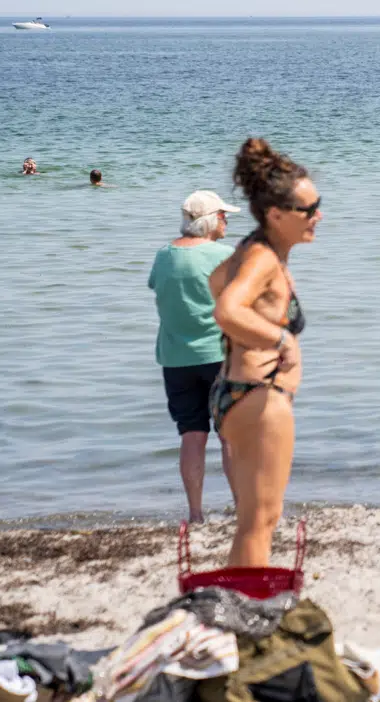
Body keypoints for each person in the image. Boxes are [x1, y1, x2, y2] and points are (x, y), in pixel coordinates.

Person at [208, 138, 321, 566]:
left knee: (253, 521)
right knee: (263, 521)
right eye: (307, 210)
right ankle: (251, 618)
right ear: (276, 214)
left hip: (240, 393)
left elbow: (216, 280)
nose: (317, 216)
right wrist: (279, 339)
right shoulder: (263, 259)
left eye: (317, 205)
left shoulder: (253, 249)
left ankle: (241, 608)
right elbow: (226, 307)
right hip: (262, 398)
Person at [149, 190, 241, 523]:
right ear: (209, 221)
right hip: (219, 356)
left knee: (191, 434)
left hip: (175, 359)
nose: (227, 220)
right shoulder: (224, 256)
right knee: (230, 433)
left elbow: (156, 289)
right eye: (223, 215)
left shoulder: (164, 255)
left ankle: (196, 513)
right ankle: (241, 508)